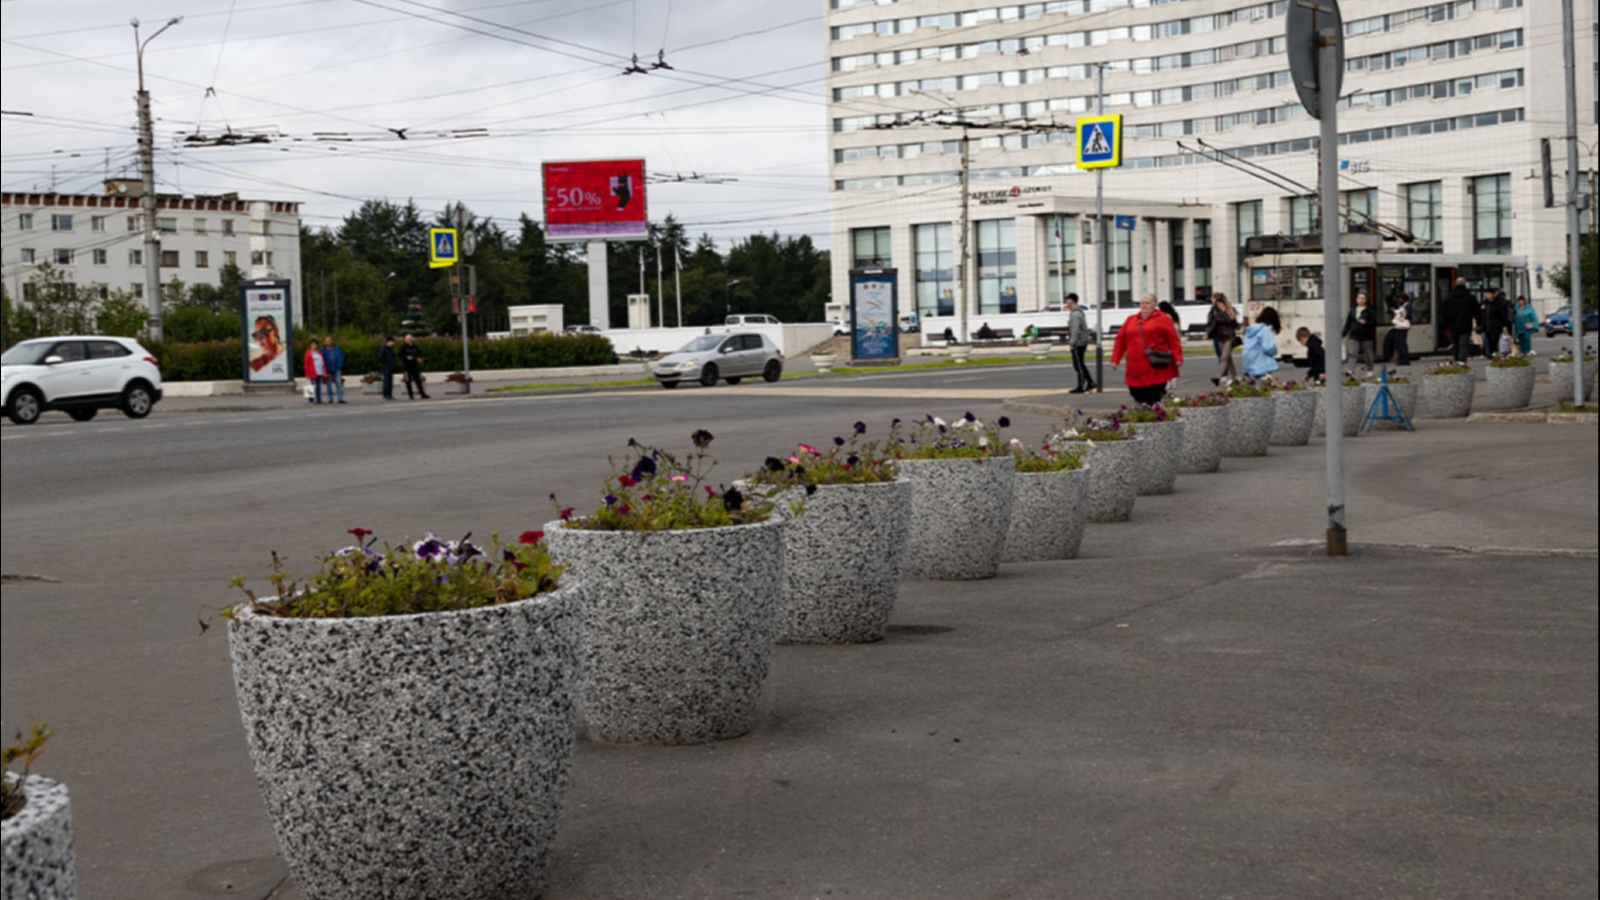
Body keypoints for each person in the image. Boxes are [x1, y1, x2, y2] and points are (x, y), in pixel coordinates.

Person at [1111, 293, 1183, 405]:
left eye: (1147, 303)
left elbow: (1173, 339)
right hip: (1135, 366)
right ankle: (1145, 411)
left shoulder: (1163, 319)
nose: (1144, 306)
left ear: (1154, 305)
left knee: (1154, 394)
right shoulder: (1131, 320)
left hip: (1156, 365)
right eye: (1142, 303)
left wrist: (1178, 357)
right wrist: (1115, 359)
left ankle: (1154, 414)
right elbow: (1120, 340)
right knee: (1136, 392)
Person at [1204, 292, 1240, 385]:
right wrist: (1208, 334)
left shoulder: (1230, 312)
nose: (1218, 306)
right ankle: (1235, 377)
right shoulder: (1217, 314)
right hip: (1221, 338)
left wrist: (1224, 312)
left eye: (1220, 304)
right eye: (1217, 304)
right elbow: (1213, 325)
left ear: (1224, 303)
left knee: (1224, 358)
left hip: (1229, 338)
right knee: (1228, 359)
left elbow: (1233, 323)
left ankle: (1217, 377)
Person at [1442, 278, 1480, 362]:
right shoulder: (1470, 298)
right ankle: (1462, 363)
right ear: (1465, 284)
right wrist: (1479, 323)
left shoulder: (1449, 298)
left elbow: (1444, 313)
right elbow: (1477, 312)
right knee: (1463, 346)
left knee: (1456, 345)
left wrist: (1445, 325)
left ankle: (1456, 361)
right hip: (1465, 325)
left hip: (1452, 326)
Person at [1066, 293, 1096, 394]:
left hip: (1078, 343)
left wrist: (1072, 343)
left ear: (1072, 301)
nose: (1066, 301)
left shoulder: (1075, 314)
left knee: (1079, 365)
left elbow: (1075, 330)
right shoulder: (1077, 313)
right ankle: (1090, 382)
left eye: (1068, 299)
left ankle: (1082, 385)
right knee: (1079, 364)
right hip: (1080, 342)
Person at [1342, 291, 1377, 371]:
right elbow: (1348, 322)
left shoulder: (1369, 310)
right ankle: (1350, 370)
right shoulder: (1353, 310)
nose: (1361, 300)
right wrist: (1343, 334)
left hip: (1366, 335)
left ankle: (1370, 369)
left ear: (1366, 300)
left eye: (1363, 298)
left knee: (1368, 354)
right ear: (1356, 299)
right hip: (1354, 335)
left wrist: (1366, 322)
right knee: (1353, 353)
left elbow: (1374, 322)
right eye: (1359, 298)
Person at [1243, 307, 1282, 379]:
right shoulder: (1265, 330)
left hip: (1250, 361)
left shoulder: (1251, 329)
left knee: (1257, 383)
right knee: (1265, 384)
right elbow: (1268, 348)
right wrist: (1275, 350)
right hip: (1261, 361)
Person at [1483, 289, 1514, 358]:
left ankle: (1496, 353)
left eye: (1488, 294)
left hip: (1496, 326)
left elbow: (1502, 315)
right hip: (1487, 326)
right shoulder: (1485, 304)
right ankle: (1491, 354)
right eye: (1486, 294)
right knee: (1489, 340)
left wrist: (1504, 325)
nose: (1486, 295)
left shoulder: (1498, 304)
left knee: (1495, 339)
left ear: (1493, 295)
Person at [399, 334, 429, 400]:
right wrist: (406, 357)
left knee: (418, 380)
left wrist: (419, 358)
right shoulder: (403, 347)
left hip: (415, 365)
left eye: (410, 339)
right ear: (405, 340)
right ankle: (411, 395)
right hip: (407, 366)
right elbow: (400, 355)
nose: (409, 340)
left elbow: (419, 353)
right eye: (407, 339)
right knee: (408, 381)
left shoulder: (415, 346)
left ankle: (422, 394)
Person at [322, 335, 347, 405]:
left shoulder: (336, 348)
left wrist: (340, 364)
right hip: (328, 369)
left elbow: (340, 356)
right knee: (329, 385)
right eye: (326, 340)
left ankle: (340, 398)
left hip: (336, 368)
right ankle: (330, 398)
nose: (328, 342)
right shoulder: (322, 350)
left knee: (338, 383)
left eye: (329, 340)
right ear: (324, 342)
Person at [1390, 293, 1414, 366]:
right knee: (1398, 343)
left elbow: (1408, 315)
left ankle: (1404, 359)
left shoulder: (1408, 305)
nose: (1399, 300)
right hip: (1399, 326)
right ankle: (1401, 358)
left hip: (1402, 327)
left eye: (1400, 299)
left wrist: (1399, 314)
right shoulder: (1403, 306)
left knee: (1401, 343)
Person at [303, 338, 328, 404]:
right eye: (312, 344)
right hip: (312, 372)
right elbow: (306, 364)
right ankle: (311, 399)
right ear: (310, 345)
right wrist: (307, 373)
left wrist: (324, 371)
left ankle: (319, 399)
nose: (314, 346)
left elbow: (323, 362)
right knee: (312, 386)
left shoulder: (319, 353)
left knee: (318, 387)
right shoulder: (308, 353)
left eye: (315, 344)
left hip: (319, 372)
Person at [377, 336, 398, 401]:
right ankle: (386, 394)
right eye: (391, 342)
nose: (392, 343)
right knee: (386, 381)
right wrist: (386, 363)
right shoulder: (384, 349)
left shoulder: (390, 349)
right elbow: (380, 357)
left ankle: (390, 394)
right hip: (386, 367)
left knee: (390, 381)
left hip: (391, 367)